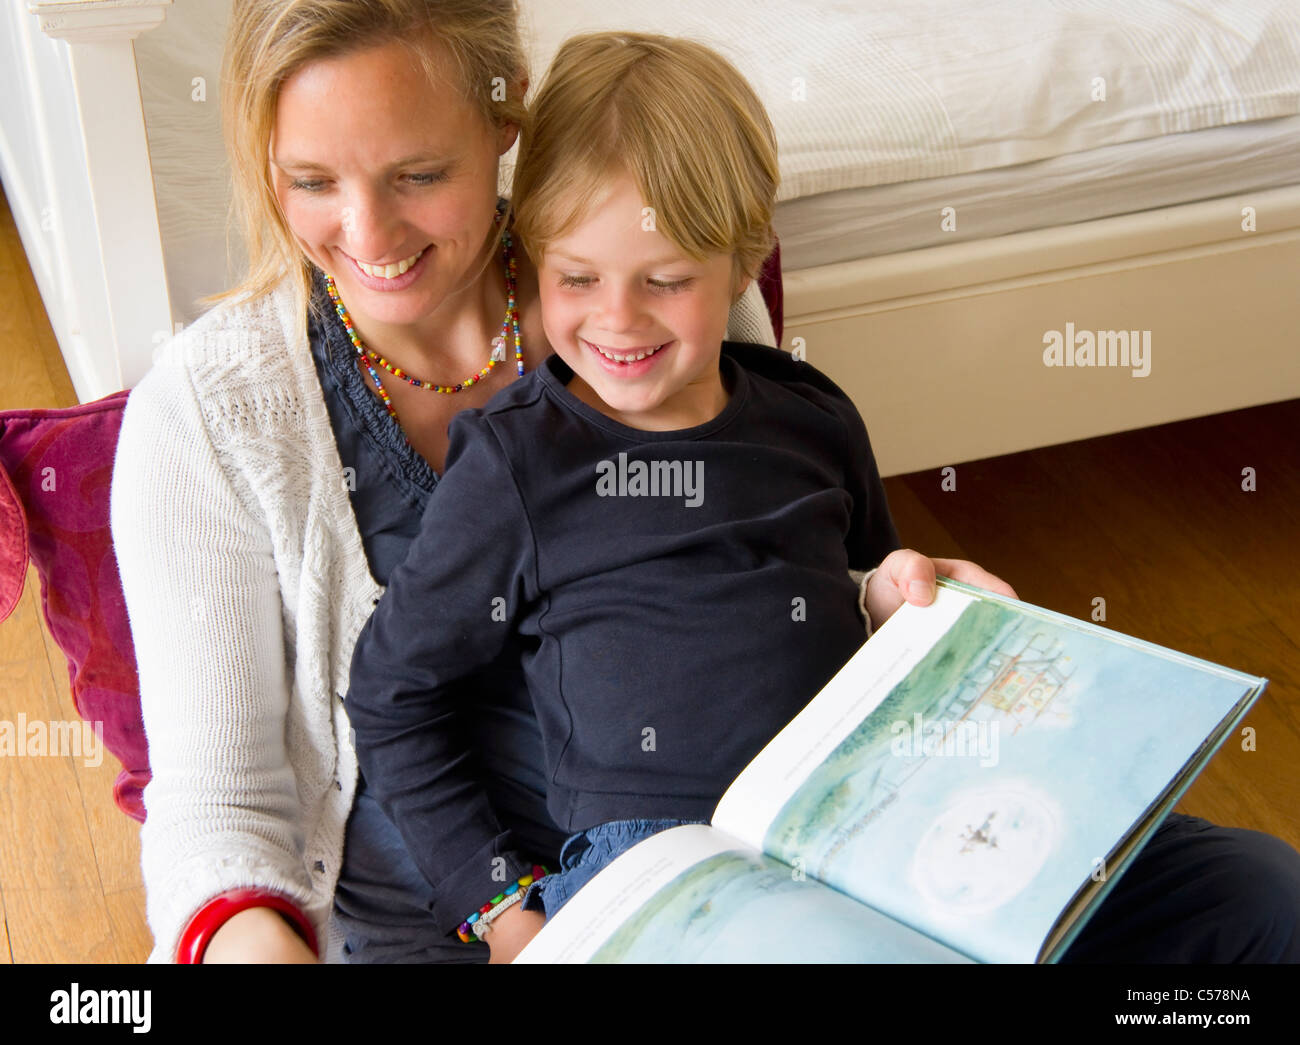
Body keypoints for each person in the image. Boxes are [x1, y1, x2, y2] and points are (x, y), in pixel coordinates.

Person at [341, 31, 1300, 966]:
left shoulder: (808, 415)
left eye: (666, 280)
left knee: (1263, 890)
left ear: (747, 258)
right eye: (577, 278)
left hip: (878, 810)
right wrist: (503, 910)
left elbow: (875, 599)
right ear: (532, 254)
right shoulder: (518, 463)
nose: (617, 317)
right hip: (667, 863)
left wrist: (903, 604)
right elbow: (392, 695)